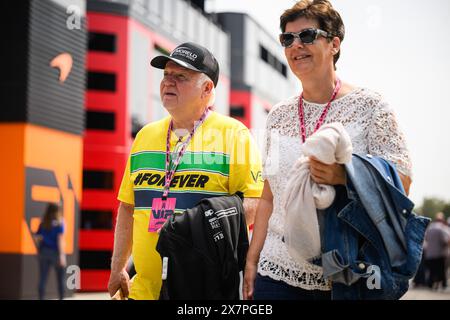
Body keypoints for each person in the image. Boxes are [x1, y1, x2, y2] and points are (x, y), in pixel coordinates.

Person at [243, 0, 412, 300]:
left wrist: (345, 175)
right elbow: (268, 198)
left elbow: (403, 180)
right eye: (287, 39)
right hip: (276, 270)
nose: (296, 45)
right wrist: (252, 260)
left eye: (307, 35)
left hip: (346, 271)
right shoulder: (277, 115)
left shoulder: (372, 107)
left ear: (334, 44)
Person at [108, 42, 263, 300]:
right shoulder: (145, 135)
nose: (169, 82)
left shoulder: (233, 134)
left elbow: (256, 202)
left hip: (203, 290)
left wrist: (201, 225)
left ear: (207, 88)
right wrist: (118, 267)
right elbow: (128, 207)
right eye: (166, 74)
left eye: (181, 76)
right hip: (143, 291)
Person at [34, 203, 66, 300]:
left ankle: (41, 298)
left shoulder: (43, 222)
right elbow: (59, 240)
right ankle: (61, 298)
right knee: (60, 279)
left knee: (42, 279)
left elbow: (37, 237)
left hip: (44, 252)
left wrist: (39, 248)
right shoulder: (60, 223)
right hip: (56, 254)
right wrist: (62, 256)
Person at [424, 212, 450, 290]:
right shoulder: (443, 229)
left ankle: (430, 284)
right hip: (440, 254)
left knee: (432, 271)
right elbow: (445, 241)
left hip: (430, 253)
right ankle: (443, 285)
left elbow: (426, 239)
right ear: (442, 220)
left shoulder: (430, 228)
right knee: (441, 271)